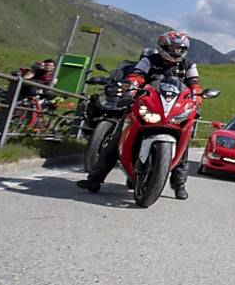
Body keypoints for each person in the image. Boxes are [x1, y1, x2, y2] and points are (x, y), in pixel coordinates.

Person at [77, 31, 202, 200]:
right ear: (164, 46)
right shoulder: (150, 60)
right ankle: (94, 179)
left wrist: (197, 97)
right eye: (173, 47)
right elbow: (137, 75)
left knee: (183, 143)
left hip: (173, 107)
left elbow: (194, 83)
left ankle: (179, 184)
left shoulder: (188, 64)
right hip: (146, 103)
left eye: (180, 48)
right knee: (117, 139)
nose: (176, 51)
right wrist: (132, 85)